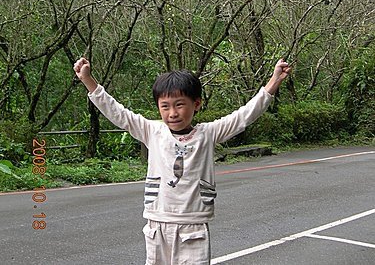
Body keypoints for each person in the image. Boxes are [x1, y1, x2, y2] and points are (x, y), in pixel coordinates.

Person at [73, 57, 291, 265]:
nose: (172, 113)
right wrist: (88, 80)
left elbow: (244, 116)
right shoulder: (152, 131)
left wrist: (274, 82)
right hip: (157, 221)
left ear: (196, 104)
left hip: (193, 225)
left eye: (179, 105)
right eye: (165, 106)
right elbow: (117, 113)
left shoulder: (208, 134)